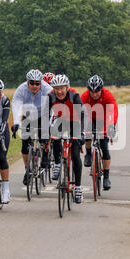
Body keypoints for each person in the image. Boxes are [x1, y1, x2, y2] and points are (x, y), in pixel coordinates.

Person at [47, 74, 86, 204]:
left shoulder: (74, 97)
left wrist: (81, 134)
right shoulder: (50, 97)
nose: (59, 91)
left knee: (75, 155)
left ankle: (78, 188)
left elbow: (81, 115)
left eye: (62, 88)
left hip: (74, 123)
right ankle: (57, 163)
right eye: (56, 88)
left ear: (67, 87)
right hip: (60, 121)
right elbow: (45, 116)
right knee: (54, 137)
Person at [11, 69, 53, 185]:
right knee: (25, 145)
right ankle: (27, 170)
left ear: (41, 82)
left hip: (43, 113)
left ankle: (45, 151)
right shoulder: (21, 89)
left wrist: (48, 128)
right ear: (27, 82)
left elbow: (52, 109)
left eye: (37, 83)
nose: (34, 86)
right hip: (28, 114)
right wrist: (16, 123)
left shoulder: (47, 89)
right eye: (32, 83)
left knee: (45, 133)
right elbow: (16, 106)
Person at [81, 75, 118, 190]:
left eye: (97, 91)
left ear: (101, 89)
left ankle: (106, 177)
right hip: (90, 118)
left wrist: (110, 127)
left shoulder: (108, 95)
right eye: (92, 91)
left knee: (104, 147)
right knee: (87, 133)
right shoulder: (84, 96)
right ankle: (88, 153)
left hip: (104, 118)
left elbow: (113, 112)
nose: (94, 94)